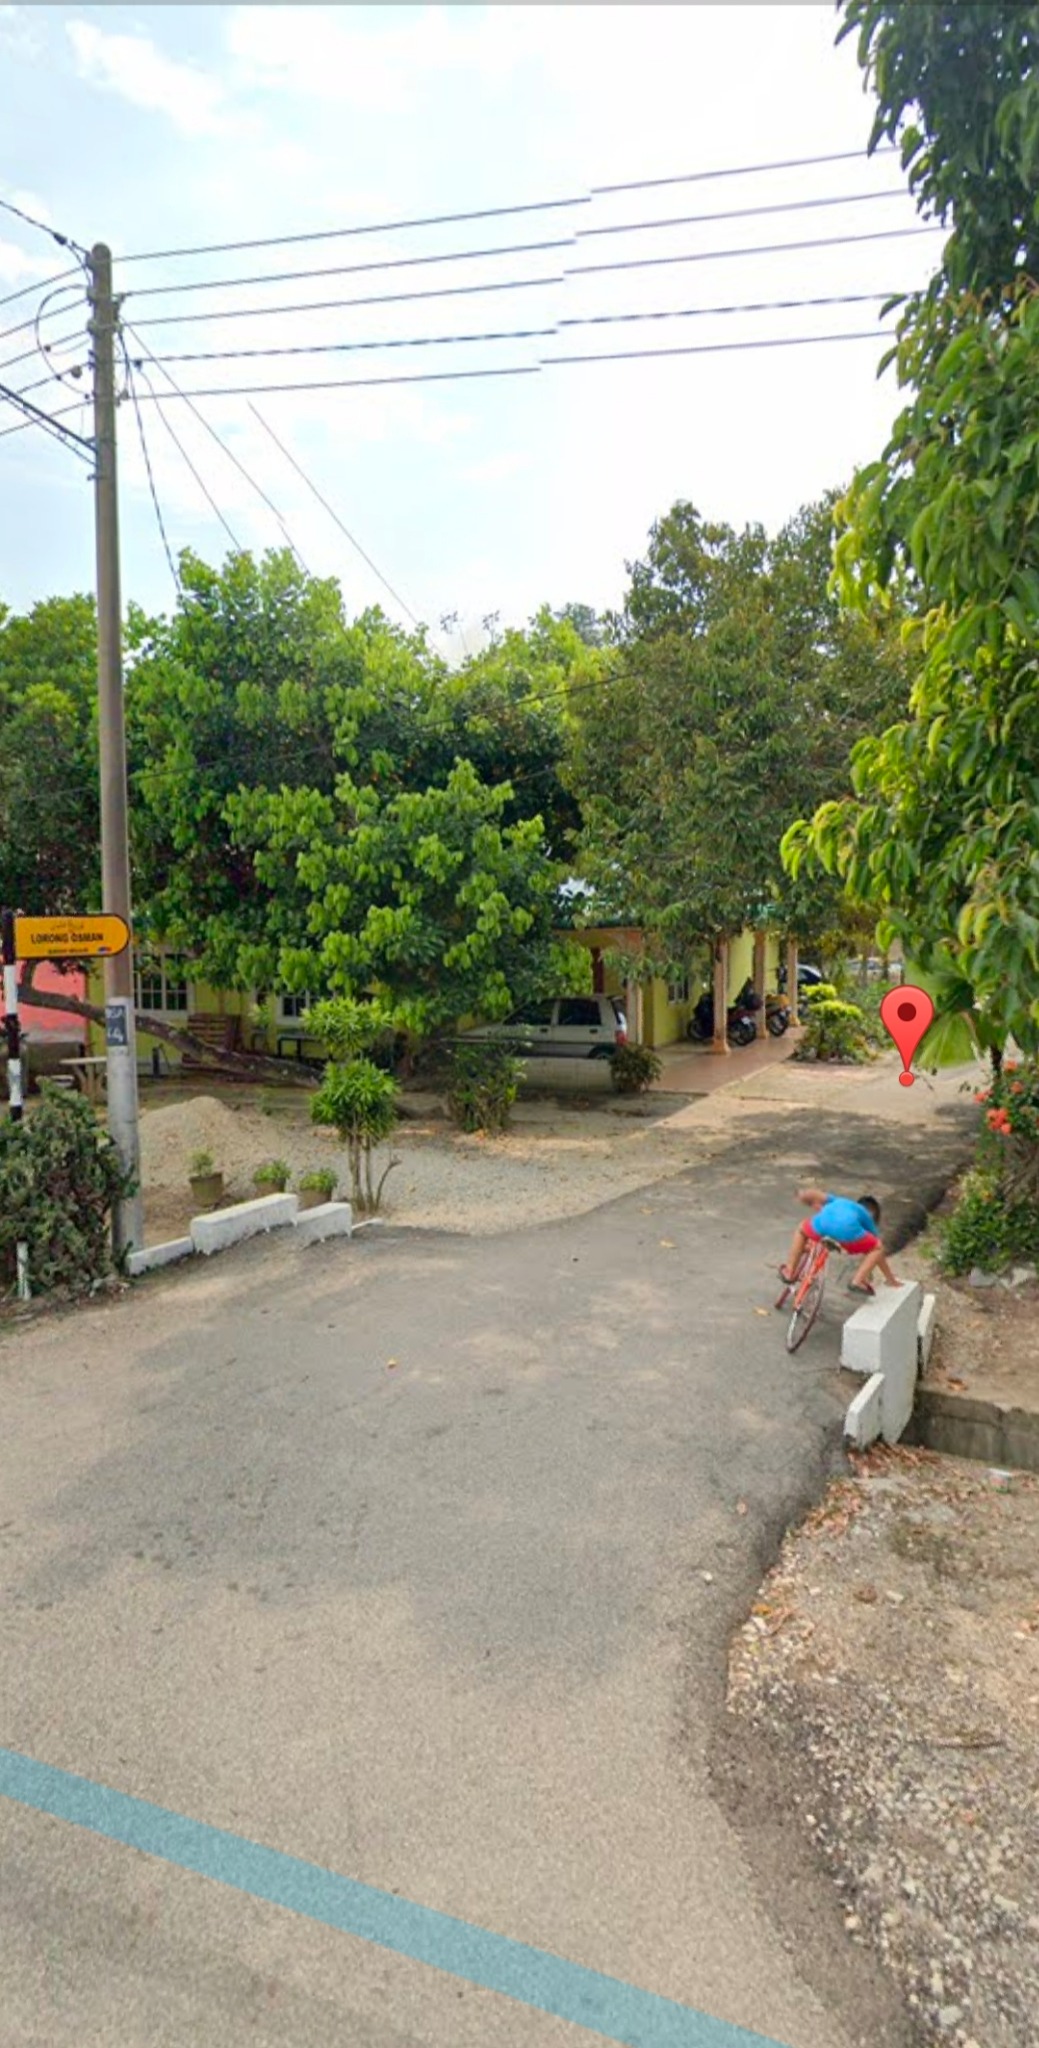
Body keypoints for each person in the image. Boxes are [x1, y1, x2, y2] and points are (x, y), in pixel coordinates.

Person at [779, 1186, 900, 1297]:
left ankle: (789, 1271)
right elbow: (878, 1255)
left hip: (822, 1226)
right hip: (847, 1236)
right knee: (878, 1248)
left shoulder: (840, 1201)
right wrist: (891, 1280)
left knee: (801, 1230)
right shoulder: (868, 1218)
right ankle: (857, 1281)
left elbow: (816, 1195)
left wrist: (802, 1195)